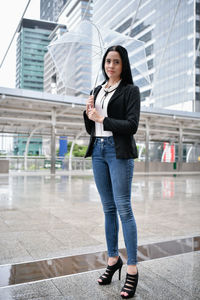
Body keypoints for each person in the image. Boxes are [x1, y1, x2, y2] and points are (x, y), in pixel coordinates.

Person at [83, 45, 140, 299]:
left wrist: (101, 118)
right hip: (98, 152)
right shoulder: (97, 90)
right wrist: (88, 113)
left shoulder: (130, 91)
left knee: (124, 209)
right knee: (107, 209)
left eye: (116, 62)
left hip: (118, 153)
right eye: (108, 61)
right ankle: (112, 259)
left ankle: (132, 269)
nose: (111, 66)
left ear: (123, 64)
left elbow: (131, 125)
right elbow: (91, 128)